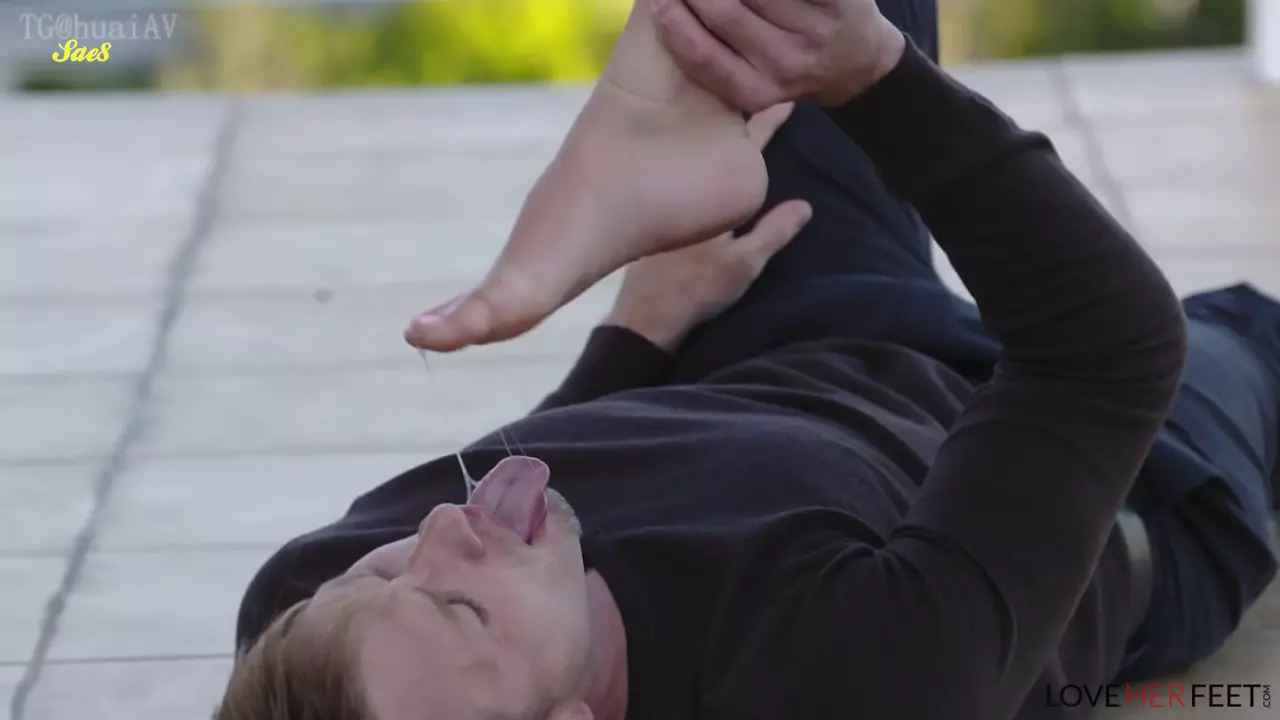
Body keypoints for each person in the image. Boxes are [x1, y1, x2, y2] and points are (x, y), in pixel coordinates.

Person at [216, 1, 1280, 718]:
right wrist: (876, 82)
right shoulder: (847, 686)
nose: (437, 535)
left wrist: (633, 334)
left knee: (779, 28)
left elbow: (549, 469)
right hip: (1123, 493)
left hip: (783, 344)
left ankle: (639, 129)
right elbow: (1104, 353)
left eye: (386, 572)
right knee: (1247, 337)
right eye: (461, 606)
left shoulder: (312, 636)